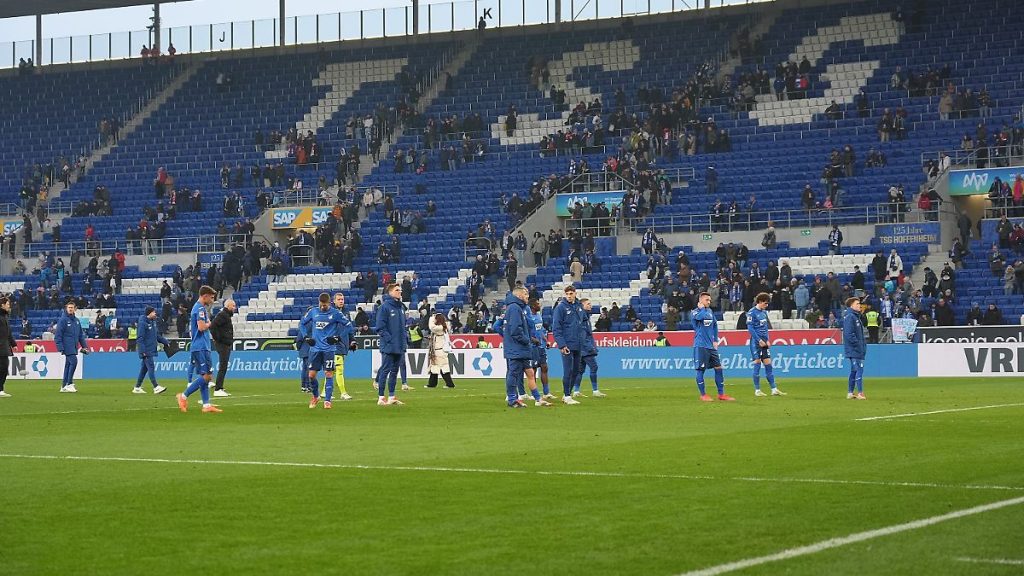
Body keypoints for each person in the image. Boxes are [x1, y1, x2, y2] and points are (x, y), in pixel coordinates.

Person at [175, 286, 222, 413]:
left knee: (205, 376)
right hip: (200, 346)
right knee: (207, 376)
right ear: (204, 296)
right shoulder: (200, 308)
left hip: (203, 346)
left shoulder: (199, 308)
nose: (212, 300)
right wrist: (209, 324)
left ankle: (206, 405)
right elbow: (201, 327)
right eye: (211, 297)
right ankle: (183, 396)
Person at [301, 293, 347, 409]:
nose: (322, 307)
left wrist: (338, 337)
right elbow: (302, 323)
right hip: (315, 349)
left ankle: (327, 400)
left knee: (329, 373)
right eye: (321, 305)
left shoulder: (336, 313)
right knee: (311, 375)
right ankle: (316, 396)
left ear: (329, 303)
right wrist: (306, 337)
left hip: (329, 349)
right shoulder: (313, 312)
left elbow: (349, 326)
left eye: (324, 305)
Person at [692, 292, 735, 402]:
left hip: (711, 346)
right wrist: (701, 309)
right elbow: (700, 317)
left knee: (719, 368)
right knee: (700, 370)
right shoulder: (695, 312)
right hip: (700, 346)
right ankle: (703, 395)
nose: (709, 302)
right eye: (707, 300)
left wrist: (715, 340)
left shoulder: (710, 312)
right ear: (701, 300)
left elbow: (715, 325)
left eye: (710, 300)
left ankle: (721, 394)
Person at [501, 287, 535, 408]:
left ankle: (537, 398)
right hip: (517, 347)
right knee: (514, 373)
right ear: (519, 295)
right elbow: (515, 330)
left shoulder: (514, 307)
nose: (528, 297)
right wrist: (526, 340)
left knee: (527, 372)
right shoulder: (515, 308)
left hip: (517, 348)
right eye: (526, 294)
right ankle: (512, 399)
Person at [374, 283, 407, 405]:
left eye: (400, 290)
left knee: (395, 371)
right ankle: (381, 397)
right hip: (389, 346)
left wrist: (405, 339)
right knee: (385, 370)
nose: (400, 292)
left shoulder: (401, 308)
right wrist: (389, 340)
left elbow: (403, 327)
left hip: (400, 345)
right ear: (390, 292)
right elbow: (380, 327)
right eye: (397, 290)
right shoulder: (385, 307)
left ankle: (392, 396)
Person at [747, 293, 785, 397]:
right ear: (759, 301)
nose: (766, 305)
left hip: (764, 341)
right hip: (756, 342)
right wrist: (759, 340)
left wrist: (767, 340)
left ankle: (774, 389)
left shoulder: (764, 313)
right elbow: (750, 328)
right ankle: (757, 390)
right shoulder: (751, 313)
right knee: (757, 364)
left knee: (768, 364)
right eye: (765, 303)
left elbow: (765, 328)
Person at [552, 285, 583, 405]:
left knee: (576, 371)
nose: (569, 296)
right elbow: (556, 328)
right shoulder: (560, 308)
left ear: (575, 293)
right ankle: (567, 395)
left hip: (578, 344)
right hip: (567, 344)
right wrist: (561, 345)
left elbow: (582, 323)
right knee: (568, 371)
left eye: (571, 293)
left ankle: (567, 395)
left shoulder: (579, 306)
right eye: (567, 294)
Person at [572, 298, 606, 398]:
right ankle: (595, 391)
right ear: (582, 306)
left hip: (582, 349)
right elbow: (583, 335)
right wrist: (590, 347)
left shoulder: (585, 317)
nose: (590, 305)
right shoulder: (583, 318)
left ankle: (576, 391)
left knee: (580, 370)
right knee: (594, 367)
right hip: (585, 349)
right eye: (588, 304)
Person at [132, 306, 169, 395]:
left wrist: (166, 342)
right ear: (150, 313)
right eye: (154, 312)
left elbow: (157, 336)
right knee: (151, 367)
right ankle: (156, 387)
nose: (155, 313)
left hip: (150, 349)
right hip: (146, 350)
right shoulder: (142, 323)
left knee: (144, 369)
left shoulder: (152, 323)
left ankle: (137, 387)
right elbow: (140, 338)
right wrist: (142, 350)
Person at [55, 301, 90, 393]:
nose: (70, 309)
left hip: (74, 346)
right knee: (74, 362)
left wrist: (85, 346)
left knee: (68, 365)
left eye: (72, 307)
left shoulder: (77, 321)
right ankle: (69, 383)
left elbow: (80, 336)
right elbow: (58, 335)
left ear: (75, 309)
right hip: (67, 346)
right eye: (69, 307)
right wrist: (60, 347)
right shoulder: (63, 320)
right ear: (66, 308)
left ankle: (63, 386)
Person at [331, 293, 356, 401]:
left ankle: (324, 392)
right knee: (339, 369)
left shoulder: (346, 312)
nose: (341, 301)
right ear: (334, 301)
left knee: (332, 370)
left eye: (342, 299)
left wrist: (353, 340)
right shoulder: (330, 312)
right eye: (339, 299)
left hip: (343, 344)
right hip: (333, 344)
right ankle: (343, 393)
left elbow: (349, 327)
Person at [209, 299, 237, 397]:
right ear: (228, 306)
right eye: (233, 306)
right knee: (223, 366)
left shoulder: (225, 315)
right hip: (223, 344)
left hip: (225, 343)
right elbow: (212, 327)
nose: (234, 308)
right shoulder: (223, 315)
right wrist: (219, 339)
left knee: (223, 366)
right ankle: (218, 389)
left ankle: (219, 386)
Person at [528, 299, 554, 400]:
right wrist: (534, 340)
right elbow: (526, 332)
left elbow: (541, 330)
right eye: (538, 304)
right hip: (533, 347)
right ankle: (533, 394)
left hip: (541, 346)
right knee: (533, 370)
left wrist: (546, 340)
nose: (540, 305)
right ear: (533, 306)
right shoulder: (529, 318)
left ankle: (546, 392)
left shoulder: (539, 316)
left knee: (544, 367)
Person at [842, 297, 867, 400]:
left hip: (856, 348)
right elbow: (848, 334)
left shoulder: (856, 317)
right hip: (854, 349)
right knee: (859, 369)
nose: (859, 305)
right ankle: (860, 393)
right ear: (851, 305)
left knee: (854, 370)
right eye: (857, 304)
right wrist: (857, 344)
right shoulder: (850, 317)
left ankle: (850, 392)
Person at [425, 314, 456, 389]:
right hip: (439, 350)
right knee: (436, 367)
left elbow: (431, 327)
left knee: (442, 367)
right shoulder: (443, 327)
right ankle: (433, 383)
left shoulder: (440, 328)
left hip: (439, 350)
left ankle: (449, 384)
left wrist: (431, 318)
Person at [0, 295, 16, 397]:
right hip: (1, 347)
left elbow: (8, 332)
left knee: (4, 368)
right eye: (8, 304)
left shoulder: (5, 316)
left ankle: (0, 389)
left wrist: (13, 343)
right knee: (3, 368)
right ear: (2, 305)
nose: (9, 306)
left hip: (4, 347)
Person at [295, 307, 314, 393]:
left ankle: (304, 385)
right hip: (310, 348)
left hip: (304, 348)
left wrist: (299, 347)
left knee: (305, 368)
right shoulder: (311, 323)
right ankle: (307, 386)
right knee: (308, 368)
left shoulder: (305, 322)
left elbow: (299, 337)